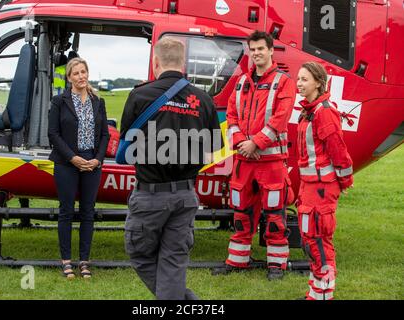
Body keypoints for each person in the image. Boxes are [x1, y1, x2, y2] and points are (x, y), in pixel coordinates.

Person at [121, 37, 223, 300]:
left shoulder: (139, 95)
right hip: (186, 195)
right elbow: (213, 151)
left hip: (150, 194)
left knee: (140, 253)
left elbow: (125, 148)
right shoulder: (204, 99)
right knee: (174, 261)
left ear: (155, 62)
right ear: (183, 64)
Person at [212, 31, 296, 280]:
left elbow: (280, 119)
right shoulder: (241, 82)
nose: (257, 53)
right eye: (253, 49)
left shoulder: (284, 82)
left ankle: (276, 266)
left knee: (274, 215)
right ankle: (237, 261)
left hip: (271, 162)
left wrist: (256, 144)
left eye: (261, 48)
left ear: (271, 50)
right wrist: (241, 143)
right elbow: (232, 116)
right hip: (244, 161)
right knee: (241, 213)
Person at [296, 61, 353, 300]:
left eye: (304, 79)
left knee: (319, 242)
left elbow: (338, 151)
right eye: (298, 79)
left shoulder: (324, 112)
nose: (299, 84)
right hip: (310, 188)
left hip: (321, 189)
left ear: (318, 83)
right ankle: (316, 292)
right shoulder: (309, 110)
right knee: (310, 241)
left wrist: (345, 181)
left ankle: (323, 295)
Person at [48, 57, 109, 279]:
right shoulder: (59, 101)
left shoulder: (98, 101)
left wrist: (98, 159)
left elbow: (104, 134)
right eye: (76, 73)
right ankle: (66, 262)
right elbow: (53, 134)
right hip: (67, 162)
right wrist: (72, 158)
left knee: (87, 213)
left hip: (92, 163)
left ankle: (84, 261)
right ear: (69, 77)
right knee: (66, 212)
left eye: (84, 72)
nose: (81, 76)